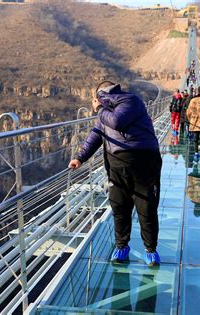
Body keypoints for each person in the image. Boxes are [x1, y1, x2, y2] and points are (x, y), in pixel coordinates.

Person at [68, 81, 162, 267]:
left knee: (146, 207)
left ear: (100, 95)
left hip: (143, 161)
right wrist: (80, 157)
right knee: (120, 207)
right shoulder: (108, 112)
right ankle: (122, 247)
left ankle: (151, 250)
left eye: (96, 98)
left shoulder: (131, 101)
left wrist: (99, 109)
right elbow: (96, 135)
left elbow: (117, 122)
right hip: (118, 164)